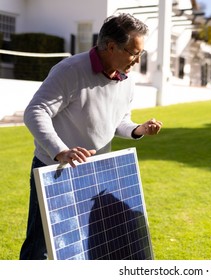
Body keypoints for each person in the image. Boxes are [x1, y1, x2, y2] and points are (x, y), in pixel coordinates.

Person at [20, 13, 162, 260]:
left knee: (79, 244)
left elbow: (118, 121)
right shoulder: (69, 70)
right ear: (110, 46)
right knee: (40, 248)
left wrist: (138, 129)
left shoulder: (126, 80)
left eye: (141, 54)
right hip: (54, 170)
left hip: (93, 172)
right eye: (133, 52)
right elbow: (35, 112)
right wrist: (61, 151)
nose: (138, 60)